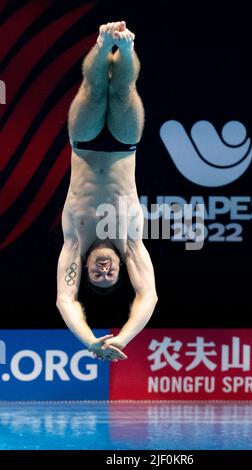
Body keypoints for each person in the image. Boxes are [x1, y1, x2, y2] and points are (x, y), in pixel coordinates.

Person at [56, 21, 158, 362]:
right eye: (109, 275)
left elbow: (65, 299)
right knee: (123, 90)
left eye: (96, 275)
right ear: (119, 269)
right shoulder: (131, 243)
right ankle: (125, 48)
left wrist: (89, 341)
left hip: (83, 145)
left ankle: (102, 43)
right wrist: (122, 340)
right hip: (123, 145)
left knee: (95, 88)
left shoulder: (75, 242)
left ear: (84, 269)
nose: (103, 270)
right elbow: (149, 296)